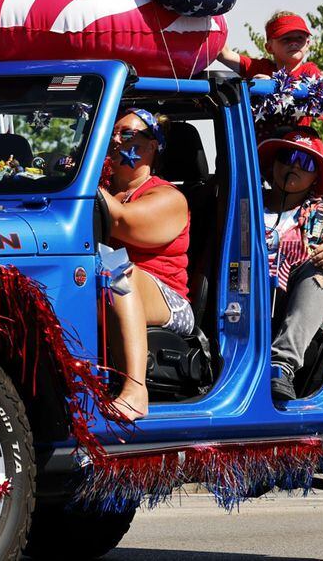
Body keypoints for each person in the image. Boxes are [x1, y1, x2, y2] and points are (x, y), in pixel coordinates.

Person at [98, 108, 194, 421]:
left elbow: (123, 222)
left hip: (170, 302)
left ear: (152, 146)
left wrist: (79, 181)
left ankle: (136, 390)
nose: (115, 140)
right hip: (106, 287)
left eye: (127, 134)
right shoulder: (110, 192)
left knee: (118, 269)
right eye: (112, 132)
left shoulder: (168, 197)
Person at [259, 128, 323, 401]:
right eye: (287, 156)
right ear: (274, 164)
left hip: (292, 308)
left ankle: (281, 365)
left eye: (306, 163)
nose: (293, 166)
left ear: (316, 176)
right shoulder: (246, 204)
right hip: (244, 297)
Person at [217, 11, 322, 80]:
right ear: (269, 48)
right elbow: (224, 54)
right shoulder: (260, 68)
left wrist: (272, 84)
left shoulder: (311, 72)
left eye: (300, 38)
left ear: (307, 44)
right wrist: (212, 13)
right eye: (286, 39)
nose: (294, 43)